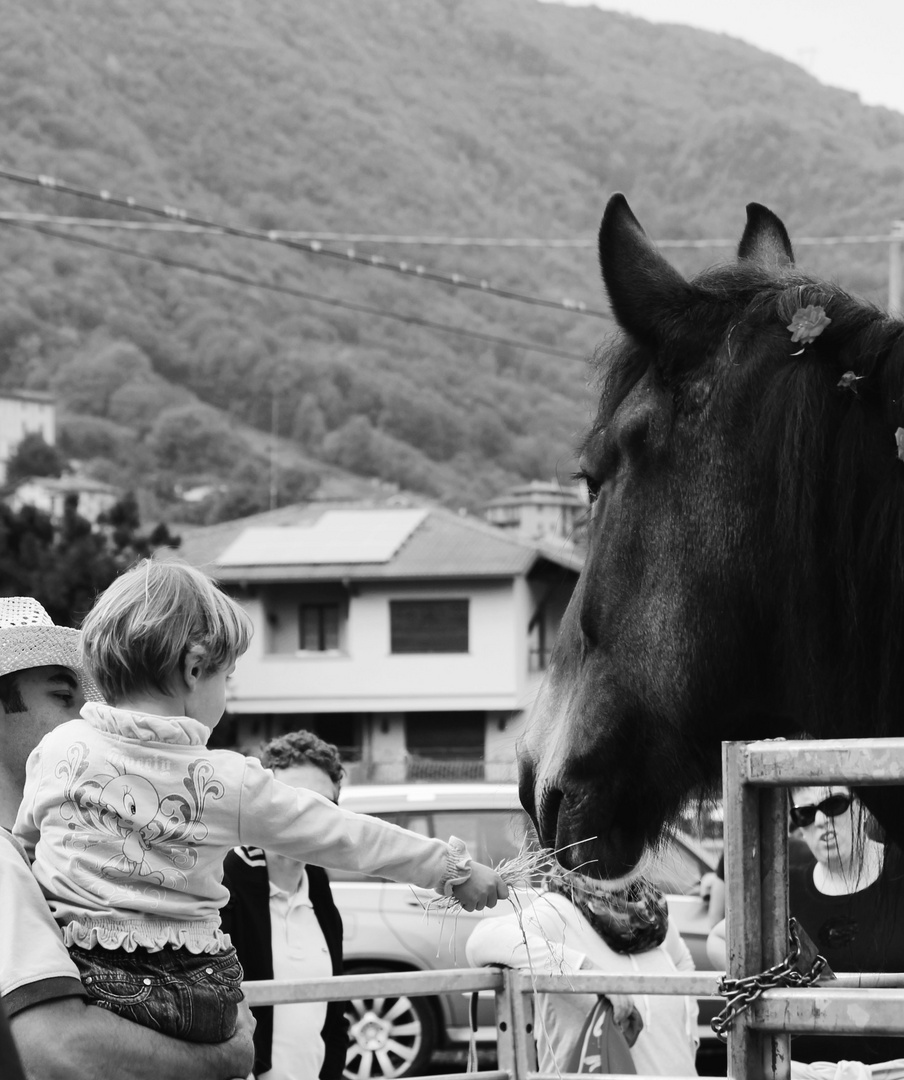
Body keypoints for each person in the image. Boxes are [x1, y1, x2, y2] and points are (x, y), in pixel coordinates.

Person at [14, 559, 507, 1045]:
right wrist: (450, 868)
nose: (226, 693)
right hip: (193, 988)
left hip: (84, 980)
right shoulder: (224, 779)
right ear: (194, 668)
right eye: (225, 677)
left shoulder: (58, 748)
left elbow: (27, 849)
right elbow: (340, 834)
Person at [0, 595, 255, 1080]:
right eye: (62, 697)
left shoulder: (41, 847)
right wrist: (228, 1055)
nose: (85, 716)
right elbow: (57, 1050)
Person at [707, 785, 904, 1065]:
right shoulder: (787, 889)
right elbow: (719, 938)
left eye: (834, 805)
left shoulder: (899, 870)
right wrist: (766, 979)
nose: (822, 821)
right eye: (805, 814)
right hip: (806, 1070)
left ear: (861, 806)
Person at [466, 866, 699, 1076]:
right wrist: (589, 972)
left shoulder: (651, 914)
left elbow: (682, 963)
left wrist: (691, 1037)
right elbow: (483, 940)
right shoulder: (557, 909)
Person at [222, 730, 348, 1080]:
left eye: (322, 805)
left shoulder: (318, 888)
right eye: (292, 801)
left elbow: (334, 1012)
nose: (306, 817)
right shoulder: (224, 884)